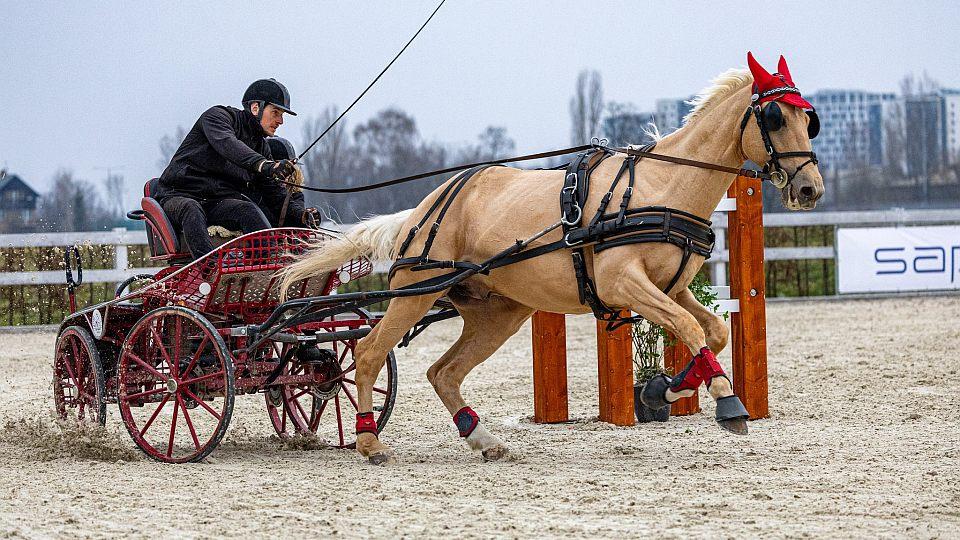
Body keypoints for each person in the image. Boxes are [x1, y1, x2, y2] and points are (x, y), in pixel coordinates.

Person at [155, 78, 313, 259]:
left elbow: (275, 195)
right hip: (177, 195)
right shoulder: (217, 117)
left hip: (214, 202)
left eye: (282, 115)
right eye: (276, 112)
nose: (280, 121)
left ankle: (265, 269)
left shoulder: (262, 147)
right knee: (191, 209)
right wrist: (265, 165)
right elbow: (229, 145)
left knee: (248, 210)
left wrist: (301, 215)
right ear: (256, 108)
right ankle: (210, 270)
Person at [246, 136, 320, 227]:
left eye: (289, 169)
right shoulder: (254, 192)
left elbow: (295, 217)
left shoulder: (295, 194)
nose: (286, 175)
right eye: (282, 169)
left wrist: (307, 217)